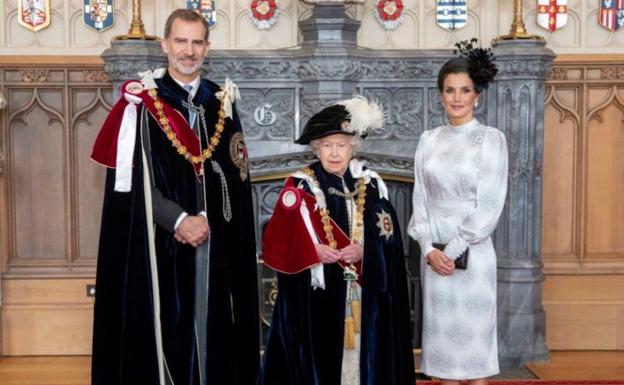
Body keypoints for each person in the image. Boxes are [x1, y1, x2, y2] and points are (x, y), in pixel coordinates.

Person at [90, 9, 259, 385]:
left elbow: (237, 174)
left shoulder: (222, 100)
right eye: (181, 41)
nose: (189, 51)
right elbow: (128, 185)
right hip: (159, 246)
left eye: (197, 42)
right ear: (164, 45)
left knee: (216, 335)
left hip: (216, 247)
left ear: (207, 47)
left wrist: (215, 223)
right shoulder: (142, 105)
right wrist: (180, 220)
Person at [260, 97, 415, 385]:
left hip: (363, 293)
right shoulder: (300, 186)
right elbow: (276, 242)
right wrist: (313, 251)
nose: (334, 153)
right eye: (327, 146)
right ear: (316, 147)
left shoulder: (370, 183)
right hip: (317, 297)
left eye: (341, 145)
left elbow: (390, 236)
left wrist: (366, 250)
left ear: (352, 147)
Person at [407, 39, 508, 384]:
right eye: (449, 90)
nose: (457, 97)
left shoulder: (491, 139)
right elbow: (420, 197)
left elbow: (490, 203)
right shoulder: (428, 140)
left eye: (465, 90)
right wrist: (428, 249)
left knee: (474, 357)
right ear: (440, 95)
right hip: (434, 255)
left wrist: (452, 250)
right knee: (444, 357)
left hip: (473, 255)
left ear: (477, 95)